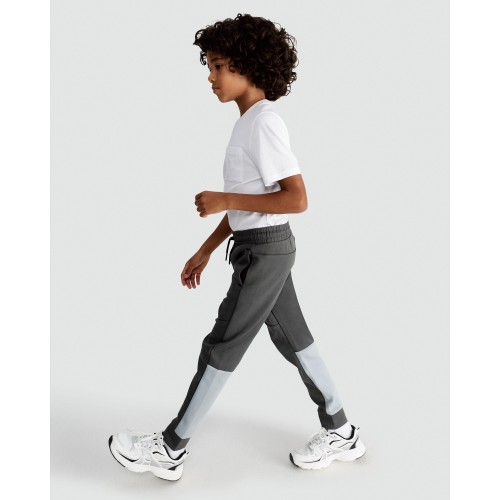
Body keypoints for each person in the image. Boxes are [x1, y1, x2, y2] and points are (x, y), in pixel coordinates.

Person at [108, 12, 366, 481]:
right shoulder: (248, 124)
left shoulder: (264, 123)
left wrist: (226, 198)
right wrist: (206, 249)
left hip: (265, 252)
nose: (210, 76)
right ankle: (341, 430)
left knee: (222, 344)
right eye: (209, 65)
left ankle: (170, 448)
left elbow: (296, 199)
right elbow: (252, 205)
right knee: (296, 340)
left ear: (249, 65)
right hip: (262, 247)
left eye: (219, 66)